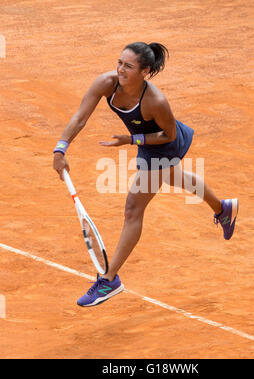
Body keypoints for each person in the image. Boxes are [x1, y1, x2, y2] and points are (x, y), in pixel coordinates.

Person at [53, 42, 239, 307]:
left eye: (128, 66)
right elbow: (80, 116)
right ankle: (223, 208)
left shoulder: (155, 101)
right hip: (146, 141)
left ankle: (109, 279)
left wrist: (131, 140)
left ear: (145, 71)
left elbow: (169, 135)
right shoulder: (107, 83)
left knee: (133, 209)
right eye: (119, 63)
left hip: (163, 143)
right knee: (175, 177)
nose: (120, 70)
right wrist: (61, 148)